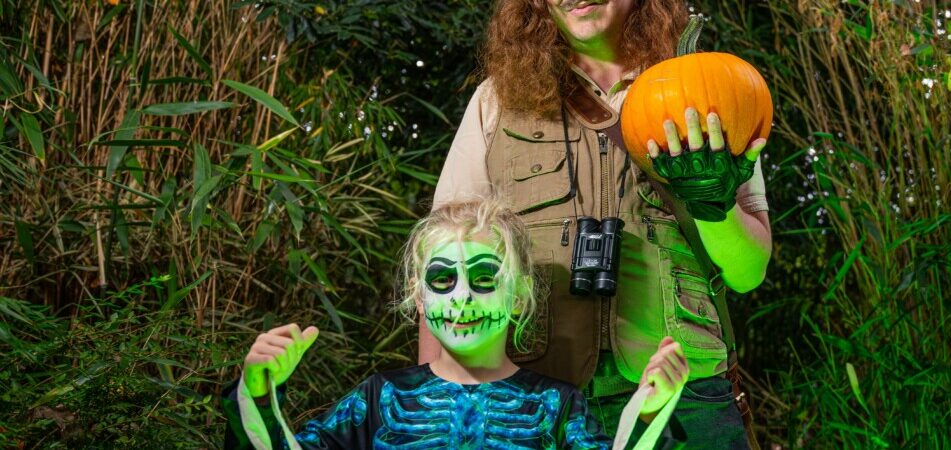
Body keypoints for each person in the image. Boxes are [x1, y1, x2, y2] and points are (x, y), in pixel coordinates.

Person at [431, 1, 772, 447]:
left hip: (686, 397)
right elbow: (439, 264)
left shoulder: (712, 96)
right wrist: (436, 400)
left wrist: (716, 208)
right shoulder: (497, 101)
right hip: (534, 401)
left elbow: (748, 274)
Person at [222, 199, 691, 449]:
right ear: (418, 297)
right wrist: (259, 393)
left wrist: (649, 412)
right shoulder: (380, 398)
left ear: (520, 295)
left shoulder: (556, 406)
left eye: (485, 278)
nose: (463, 297)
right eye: (443, 279)